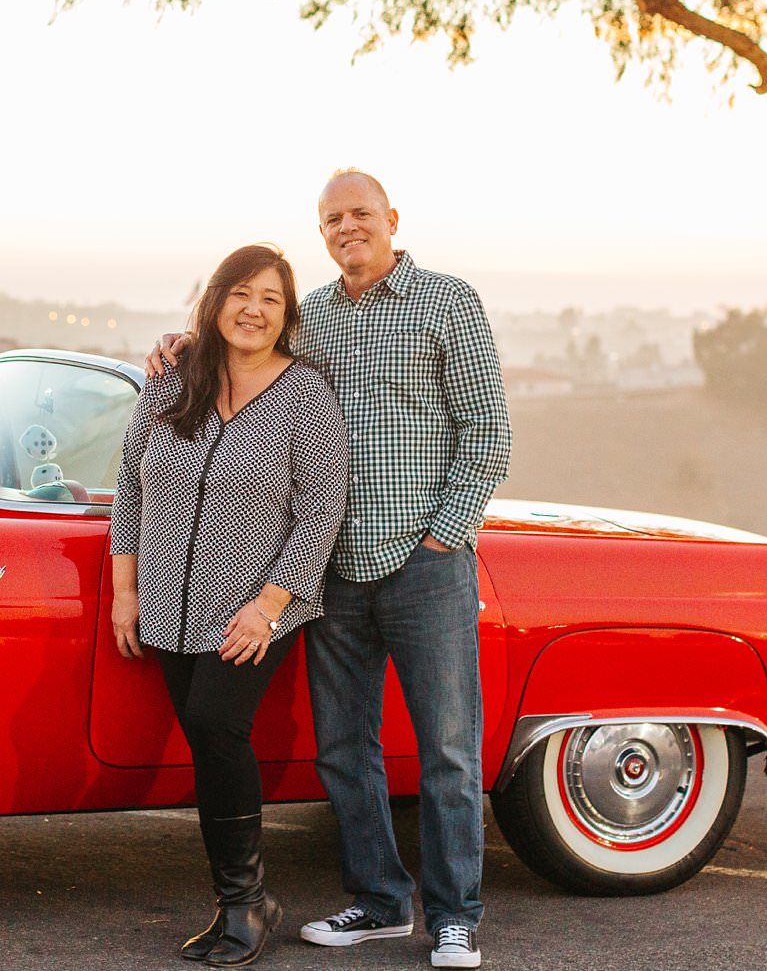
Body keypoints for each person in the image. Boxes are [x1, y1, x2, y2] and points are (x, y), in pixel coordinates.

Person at [151, 172, 511, 970]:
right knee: (346, 747)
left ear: (391, 219)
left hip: (424, 561)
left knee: (448, 747)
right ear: (322, 233)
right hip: (330, 572)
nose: (347, 227)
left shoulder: (447, 301)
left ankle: (454, 917)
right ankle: (381, 901)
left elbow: (487, 429)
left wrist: (443, 537)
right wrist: (181, 344)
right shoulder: (307, 316)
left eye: (359, 214)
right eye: (332, 219)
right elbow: (250, 356)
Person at [111, 243, 349, 967]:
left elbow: (321, 510)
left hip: (254, 605)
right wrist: (126, 593)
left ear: (287, 315)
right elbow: (129, 483)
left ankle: (245, 903)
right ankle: (238, 902)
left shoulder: (306, 392)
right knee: (209, 743)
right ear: (214, 301)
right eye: (241, 293)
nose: (254, 308)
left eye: (271, 298)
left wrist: (269, 606)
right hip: (166, 607)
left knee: (218, 724)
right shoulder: (173, 378)